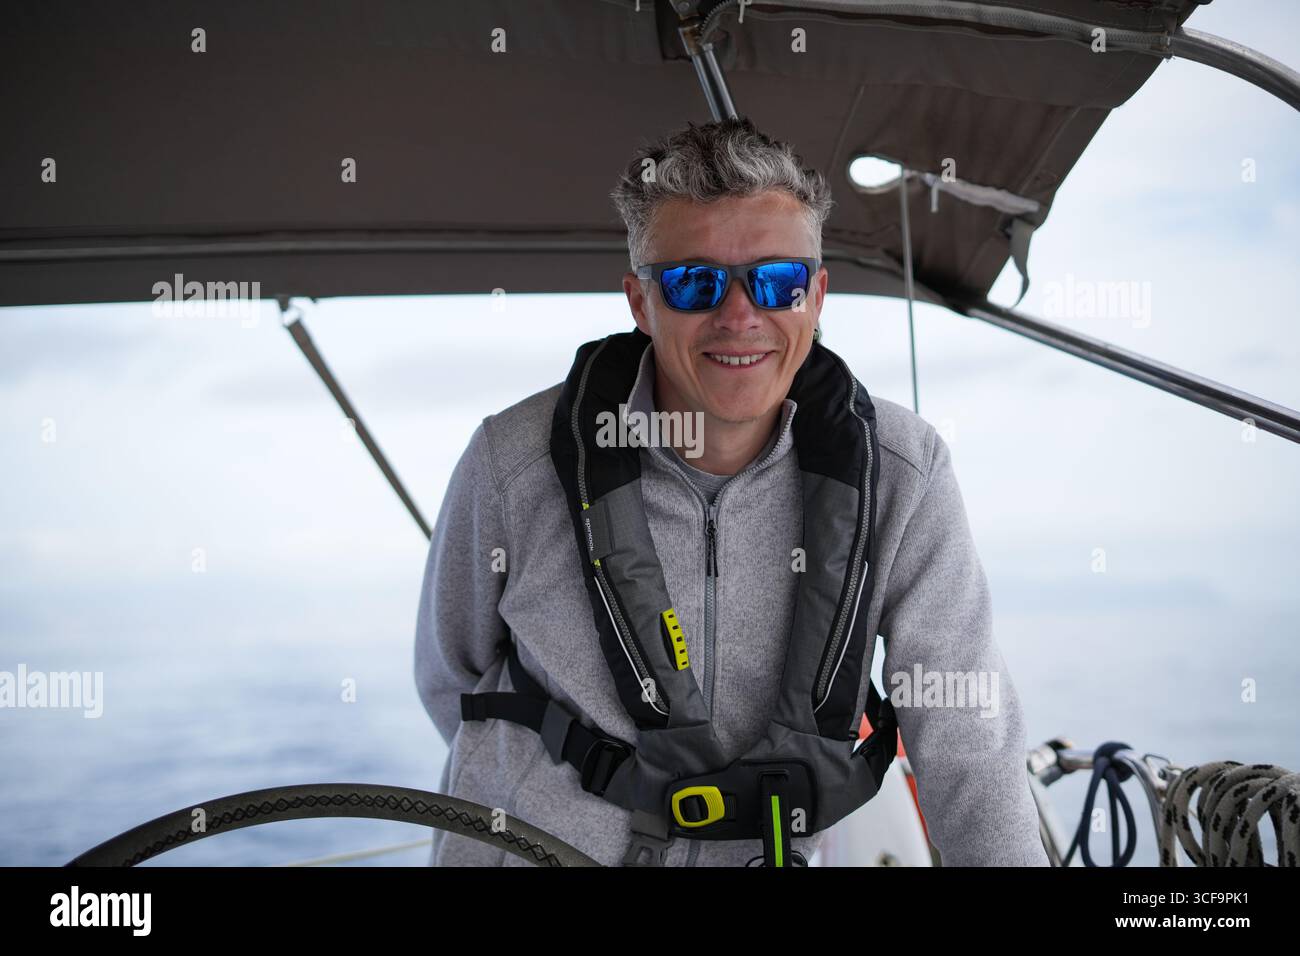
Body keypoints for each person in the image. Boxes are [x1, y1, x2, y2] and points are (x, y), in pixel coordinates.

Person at [414, 117, 1048, 867]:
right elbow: (454, 679)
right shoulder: (512, 463)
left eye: (777, 281)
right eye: (694, 282)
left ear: (815, 296)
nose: (740, 315)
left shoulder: (903, 472)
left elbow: (963, 732)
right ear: (640, 303)